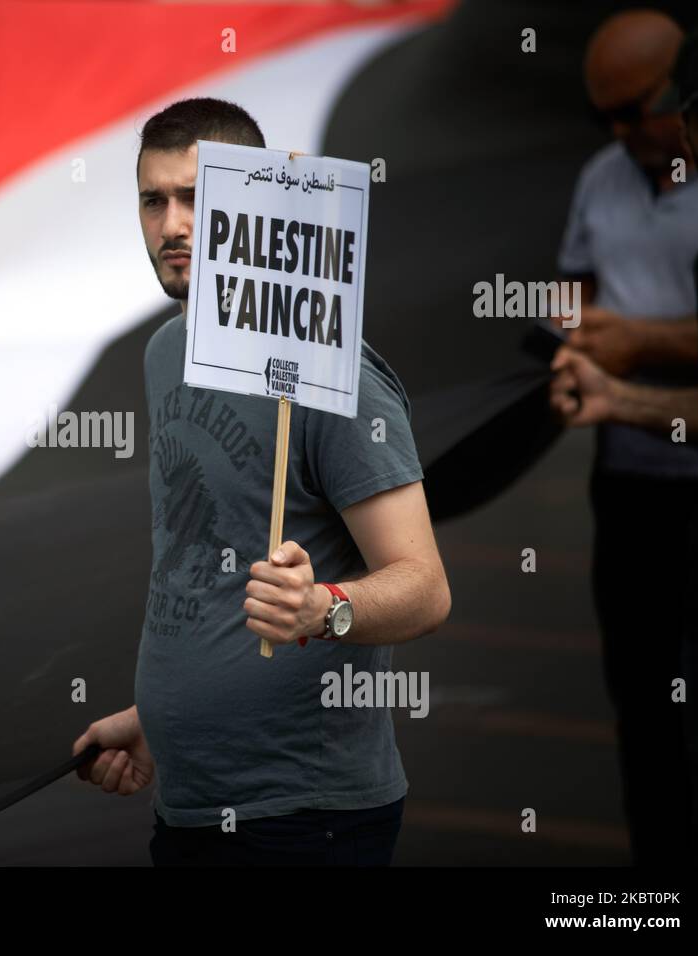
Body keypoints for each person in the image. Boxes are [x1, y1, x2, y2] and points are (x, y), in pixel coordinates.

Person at [70, 98, 450, 866]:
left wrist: (323, 608)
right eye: (154, 199)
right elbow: (206, 557)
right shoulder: (164, 353)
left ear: (256, 204)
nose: (173, 224)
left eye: (196, 197)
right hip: (189, 805)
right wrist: (159, 719)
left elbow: (425, 588)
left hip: (307, 819)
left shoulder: (332, 377)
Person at [552, 10, 698, 867]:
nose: (625, 135)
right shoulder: (601, 179)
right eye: (605, 119)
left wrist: (635, 346)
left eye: (638, 112)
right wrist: (566, 339)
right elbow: (575, 299)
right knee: (645, 703)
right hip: (629, 483)